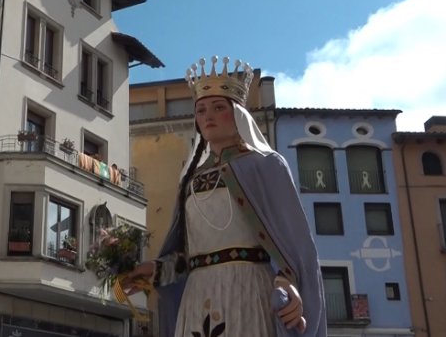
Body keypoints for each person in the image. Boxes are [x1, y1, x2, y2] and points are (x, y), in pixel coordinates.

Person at [122, 56, 326, 337]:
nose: (208, 116)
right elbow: (188, 257)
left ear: (239, 115)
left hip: (248, 290)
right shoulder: (190, 179)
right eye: (201, 110)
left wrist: (287, 281)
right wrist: (155, 269)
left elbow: (294, 245)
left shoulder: (266, 166)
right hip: (198, 294)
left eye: (219, 108)